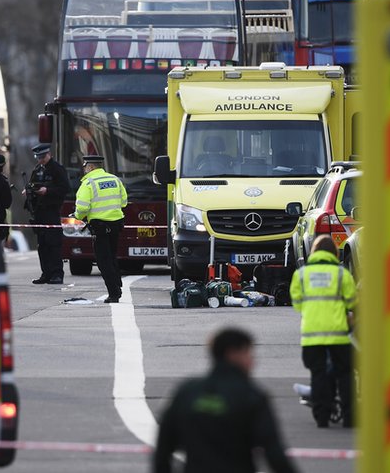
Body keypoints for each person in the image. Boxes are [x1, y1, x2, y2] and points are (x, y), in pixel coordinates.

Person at [153, 328, 300, 473]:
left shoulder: (187, 392)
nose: (252, 360)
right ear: (233, 354)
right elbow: (273, 452)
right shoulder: (251, 396)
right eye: (248, 353)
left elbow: (164, 446)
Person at [290, 234, 357, 428]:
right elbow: (352, 301)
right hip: (338, 334)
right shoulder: (341, 274)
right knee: (345, 374)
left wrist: (312, 312)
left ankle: (322, 417)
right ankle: (349, 417)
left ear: (313, 252)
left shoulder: (301, 274)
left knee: (318, 375)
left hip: (312, 335)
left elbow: (297, 303)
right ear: (334, 253)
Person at [72, 154, 126, 303]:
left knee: (103, 261)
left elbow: (82, 208)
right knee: (112, 256)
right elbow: (124, 202)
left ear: (90, 166)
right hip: (115, 224)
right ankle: (118, 284)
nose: (84, 169)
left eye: (85, 166)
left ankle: (114, 293)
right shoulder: (115, 179)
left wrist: (77, 215)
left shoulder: (88, 183)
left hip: (100, 227)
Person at [26, 143, 70, 284]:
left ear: (49, 154)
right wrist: (28, 191)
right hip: (39, 211)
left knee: (53, 243)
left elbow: (64, 188)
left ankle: (57, 274)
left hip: (51, 210)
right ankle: (46, 273)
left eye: (43, 157)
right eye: (38, 157)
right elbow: (32, 184)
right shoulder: (37, 169)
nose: (41, 160)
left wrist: (48, 191)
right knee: (42, 245)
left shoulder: (57, 169)